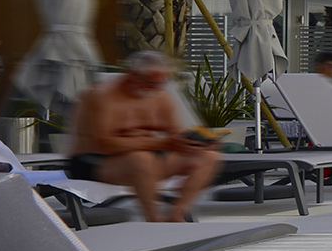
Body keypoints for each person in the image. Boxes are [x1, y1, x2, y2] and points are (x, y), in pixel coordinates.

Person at [68, 50, 220, 223]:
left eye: (159, 83)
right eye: (150, 83)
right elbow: (103, 144)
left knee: (208, 157)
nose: (155, 88)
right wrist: (163, 143)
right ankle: (153, 218)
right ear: (132, 75)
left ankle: (177, 213)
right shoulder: (103, 96)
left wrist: (196, 143)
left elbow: (174, 134)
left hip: (147, 159)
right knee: (140, 159)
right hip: (95, 162)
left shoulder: (160, 96)